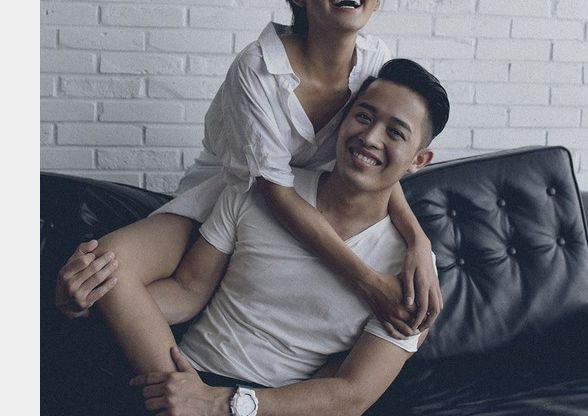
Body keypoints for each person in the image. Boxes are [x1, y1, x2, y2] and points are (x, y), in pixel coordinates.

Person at [56, 1, 443, 362]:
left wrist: (419, 243)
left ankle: (175, 387)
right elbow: (274, 193)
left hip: (310, 199)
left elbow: (381, 167)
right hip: (227, 192)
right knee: (103, 265)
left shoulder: (376, 60)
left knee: (117, 286)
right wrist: (368, 281)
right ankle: (96, 329)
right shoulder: (257, 68)